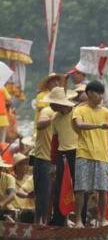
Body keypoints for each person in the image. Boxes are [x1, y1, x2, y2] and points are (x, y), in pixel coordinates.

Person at [72, 81, 108, 227]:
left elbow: (107, 136)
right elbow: (79, 125)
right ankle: (78, 221)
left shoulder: (106, 113)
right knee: (81, 189)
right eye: (97, 93)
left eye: (102, 93)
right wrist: (98, 126)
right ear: (89, 93)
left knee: (103, 190)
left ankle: (102, 219)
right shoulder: (80, 110)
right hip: (84, 153)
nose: (100, 96)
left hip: (102, 156)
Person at [48, 86, 80, 226]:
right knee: (60, 187)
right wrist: (53, 162)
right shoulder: (55, 118)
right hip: (62, 154)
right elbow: (55, 142)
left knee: (79, 187)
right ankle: (59, 220)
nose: (51, 106)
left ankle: (81, 219)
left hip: (78, 153)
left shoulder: (77, 113)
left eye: (54, 104)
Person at [32, 93, 56, 224]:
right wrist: (53, 119)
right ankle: (39, 222)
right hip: (43, 157)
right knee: (42, 192)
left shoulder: (66, 114)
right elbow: (40, 124)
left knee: (51, 193)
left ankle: (48, 221)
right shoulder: (47, 111)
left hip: (56, 159)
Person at [5, 153, 34, 222]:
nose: (27, 166)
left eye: (27, 164)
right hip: (15, 212)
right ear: (17, 166)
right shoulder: (9, 180)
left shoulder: (30, 179)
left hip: (29, 213)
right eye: (24, 164)